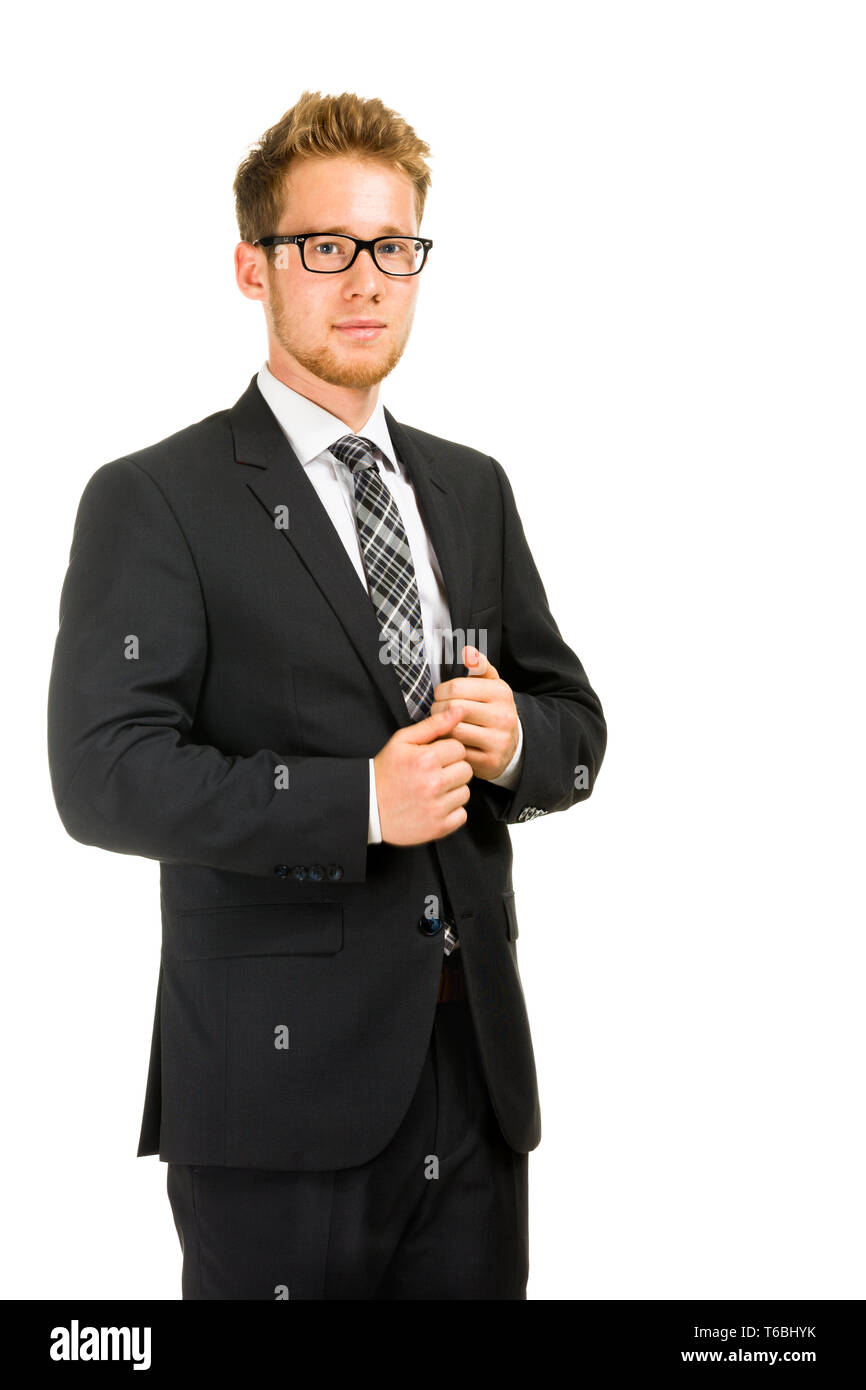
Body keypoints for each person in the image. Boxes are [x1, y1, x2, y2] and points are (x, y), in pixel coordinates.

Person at [46, 89, 607, 1300]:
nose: (364, 280)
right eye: (324, 247)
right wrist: (356, 802)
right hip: (275, 1103)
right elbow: (102, 773)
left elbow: (573, 726)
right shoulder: (157, 498)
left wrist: (515, 738)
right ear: (252, 267)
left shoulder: (469, 487)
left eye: (392, 247)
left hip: (474, 1077)